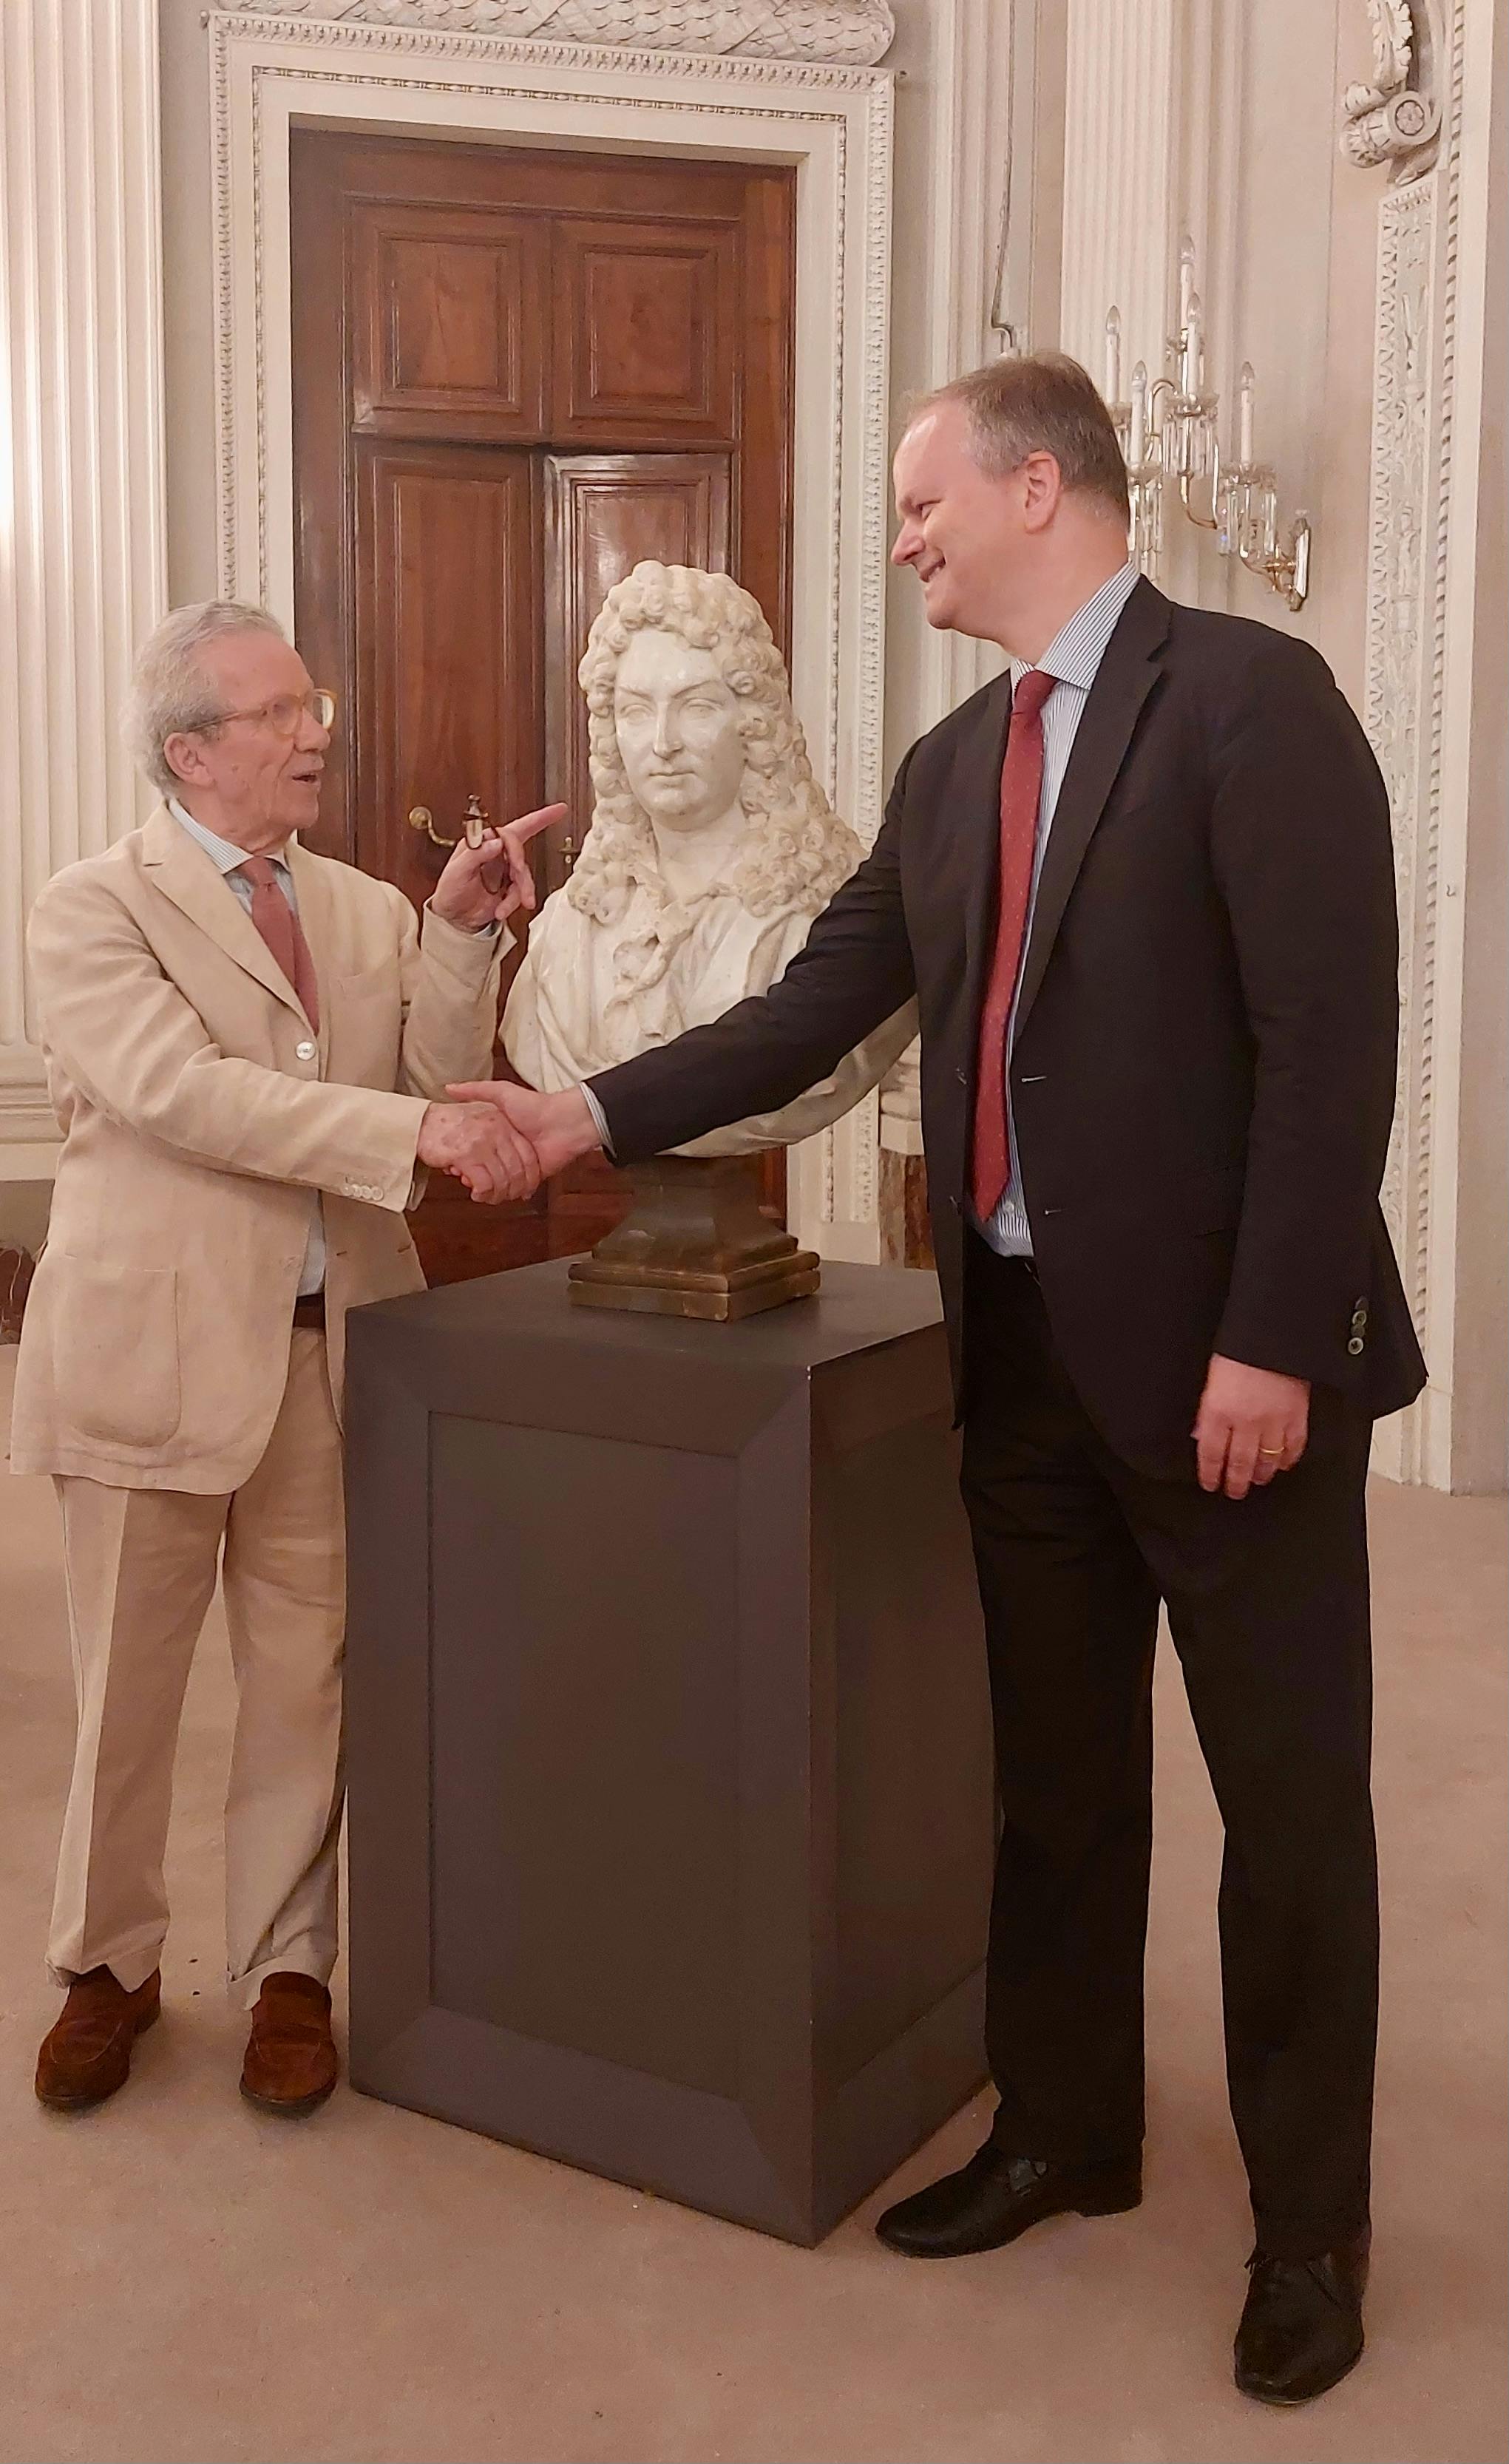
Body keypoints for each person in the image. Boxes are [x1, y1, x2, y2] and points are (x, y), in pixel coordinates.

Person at [451, 355, 1427, 2405]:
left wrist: (1270, 1336)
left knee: (1287, 1808)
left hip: (1232, 1374)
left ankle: (1310, 2230)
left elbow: (1332, 1054)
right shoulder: (945, 760)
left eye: (920, 506)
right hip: (1028, 1366)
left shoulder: (1257, 704)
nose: (899, 542)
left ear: (1038, 484)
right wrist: (577, 1118)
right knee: (1057, 1784)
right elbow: (824, 1001)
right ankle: (1068, 2132)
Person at [14, 600, 552, 2119]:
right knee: (127, 1686)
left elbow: (438, 1072)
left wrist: (456, 927)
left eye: (311, 702)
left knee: (307, 1680)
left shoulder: (361, 905)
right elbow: (185, 1096)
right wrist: (414, 1130)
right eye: (277, 712)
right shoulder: (87, 907)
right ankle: (106, 1962)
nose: (316, 729)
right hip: (150, 1356)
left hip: (334, 1357)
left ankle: (289, 1966)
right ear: (189, 749)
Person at [501, 560, 914, 1150]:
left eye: (696, 707)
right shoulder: (567, 927)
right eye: (636, 711)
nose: (663, 743)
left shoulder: (837, 916)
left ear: (752, 721)